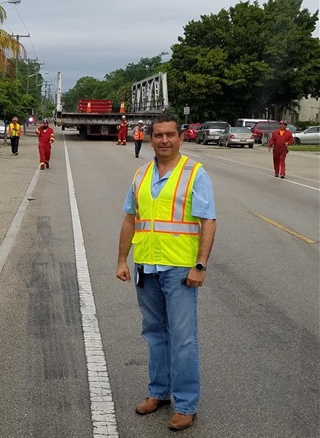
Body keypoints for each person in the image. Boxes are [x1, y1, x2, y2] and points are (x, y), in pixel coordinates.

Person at [116, 113, 217, 431]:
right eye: (158, 135)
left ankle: (186, 404)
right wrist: (122, 259)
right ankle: (158, 393)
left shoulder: (194, 173)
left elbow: (208, 221)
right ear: (149, 138)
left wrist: (200, 265)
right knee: (155, 335)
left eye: (170, 135)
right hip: (146, 267)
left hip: (179, 270)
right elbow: (130, 218)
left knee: (183, 339)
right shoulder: (141, 173)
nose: (164, 140)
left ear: (180, 137)